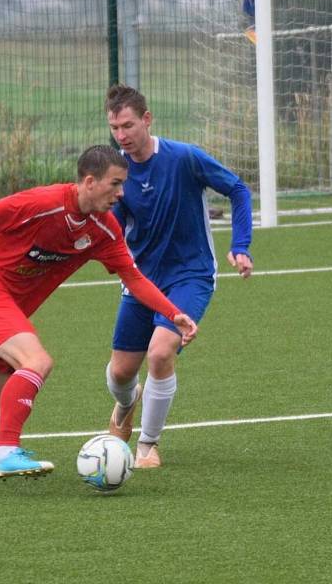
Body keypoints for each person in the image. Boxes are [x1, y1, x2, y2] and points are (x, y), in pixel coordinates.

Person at [0, 145, 198, 480]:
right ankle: (5, 452)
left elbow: (134, 278)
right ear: (90, 182)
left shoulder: (104, 229)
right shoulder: (38, 203)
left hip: (8, 309)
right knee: (37, 362)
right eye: (115, 184)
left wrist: (172, 312)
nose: (122, 193)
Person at [103, 84, 253, 468]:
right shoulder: (116, 173)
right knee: (121, 374)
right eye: (115, 128)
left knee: (160, 352)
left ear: (147, 119)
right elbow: (113, 224)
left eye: (128, 125)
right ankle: (126, 403)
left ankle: (147, 446)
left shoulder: (184, 158)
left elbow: (237, 189)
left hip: (191, 275)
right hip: (141, 281)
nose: (122, 136)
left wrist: (241, 244)